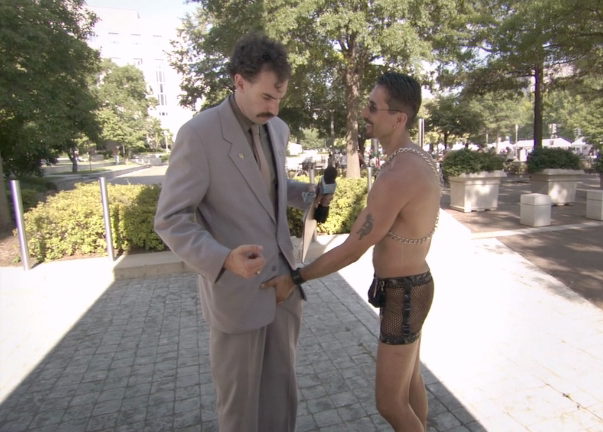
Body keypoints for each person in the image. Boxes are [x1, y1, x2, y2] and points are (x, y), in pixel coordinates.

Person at [153, 33, 330, 432]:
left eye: (280, 97)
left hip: (284, 289)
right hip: (236, 295)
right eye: (267, 96)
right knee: (240, 410)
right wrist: (222, 259)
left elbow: (268, 186)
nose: (274, 107)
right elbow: (171, 218)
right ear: (239, 81)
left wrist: (309, 194)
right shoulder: (198, 134)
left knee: (281, 398)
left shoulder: (277, 129)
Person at [263, 72, 441, 432]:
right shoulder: (414, 159)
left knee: (390, 403)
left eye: (373, 107)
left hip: (404, 294)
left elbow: (352, 250)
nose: (364, 113)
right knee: (409, 382)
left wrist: (295, 277)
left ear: (399, 118)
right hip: (411, 286)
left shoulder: (399, 173)